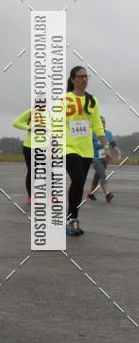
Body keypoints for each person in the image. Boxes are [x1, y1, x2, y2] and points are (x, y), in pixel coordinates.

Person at [64, 66, 108, 236]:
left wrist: (106, 147)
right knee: (79, 178)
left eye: (86, 76)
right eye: (81, 77)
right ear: (73, 79)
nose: (84, 79)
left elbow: (97, 125)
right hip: (68, 147)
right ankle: (73, 220)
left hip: (86, 150)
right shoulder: (64, 100)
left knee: (79, 183)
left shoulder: (92, 101)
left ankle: (70, 218)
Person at [12, 107, 48, 204]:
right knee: (32, 172)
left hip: (45, 147)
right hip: (30, 146)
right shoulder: (31, 112)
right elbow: (15, 122)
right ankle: (30, 196)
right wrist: (29, 128)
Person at [88, 116, 121, 203]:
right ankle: (107, 194)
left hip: (104, 159)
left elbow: (113, 144)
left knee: (97, 177)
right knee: (102, 175)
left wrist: (118, 151)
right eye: (101, 122)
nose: (103, 123)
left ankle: (90, 194)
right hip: (95, 159)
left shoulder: (108, 134)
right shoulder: (93, 133)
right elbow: (87, 145)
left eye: (104, 122)